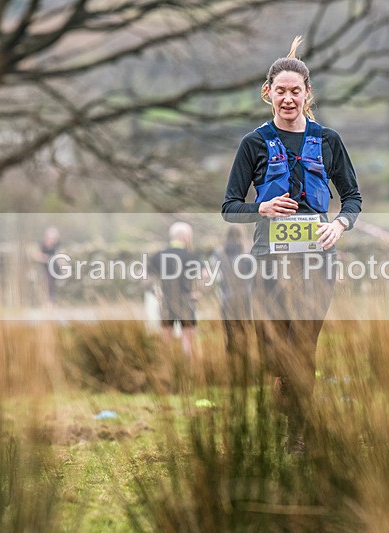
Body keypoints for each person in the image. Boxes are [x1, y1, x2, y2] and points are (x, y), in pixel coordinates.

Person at [221, 36, 362, 454]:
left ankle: (296, 435)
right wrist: (261, 208)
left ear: (307, 94)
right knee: (276, 354)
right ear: (268, 93)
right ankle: (284, 408)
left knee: (303, 348)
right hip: (268, 263)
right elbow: (230, 207)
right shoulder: (253, 143)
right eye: (280, 91)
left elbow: (352, 197)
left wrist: (340, 225)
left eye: (295, 91)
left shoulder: (330, 140)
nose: (288, 98)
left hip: (318, 263)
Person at [150, 221, 200, 359]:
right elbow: (206, 275)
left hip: (166, 300)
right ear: (185, 237)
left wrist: (155, 291)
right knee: (188, 339)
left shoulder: (158, 255)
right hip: (186, 300)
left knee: (166, 338)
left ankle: (165, 368)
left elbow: (145, 276)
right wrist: (199, 292)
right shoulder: (191, 255)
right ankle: (189, 370)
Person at [211, 226, 252, 388]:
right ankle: (247, 373)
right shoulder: (248, 253)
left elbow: (214, 276)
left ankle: (232, 373)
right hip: (246, 300)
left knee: (230, 337)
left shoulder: (218, 253)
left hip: (227, 300)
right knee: (246, 335)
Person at [38, 226, 61, 305]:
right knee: (47, 282)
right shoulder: (42, 245)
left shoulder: (56, 245)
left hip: (54, 267)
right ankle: (47, 300)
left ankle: (51, 300)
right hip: (46, 267)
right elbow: (40, 255)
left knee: (53, 284)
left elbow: (58, 255)